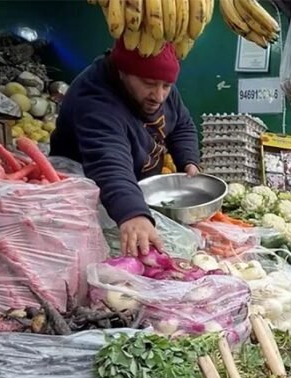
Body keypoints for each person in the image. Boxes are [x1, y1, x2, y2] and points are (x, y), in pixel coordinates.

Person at [51, 38, 200, 257]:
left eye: (166, 86)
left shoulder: (160, 82)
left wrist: (189, 160)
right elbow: (108, 162)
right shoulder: (95, 97)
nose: (159, 96)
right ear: (122, 72)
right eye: (149, 84)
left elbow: (182, 124)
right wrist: (133, 213)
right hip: (87, 203)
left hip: (132, 191)